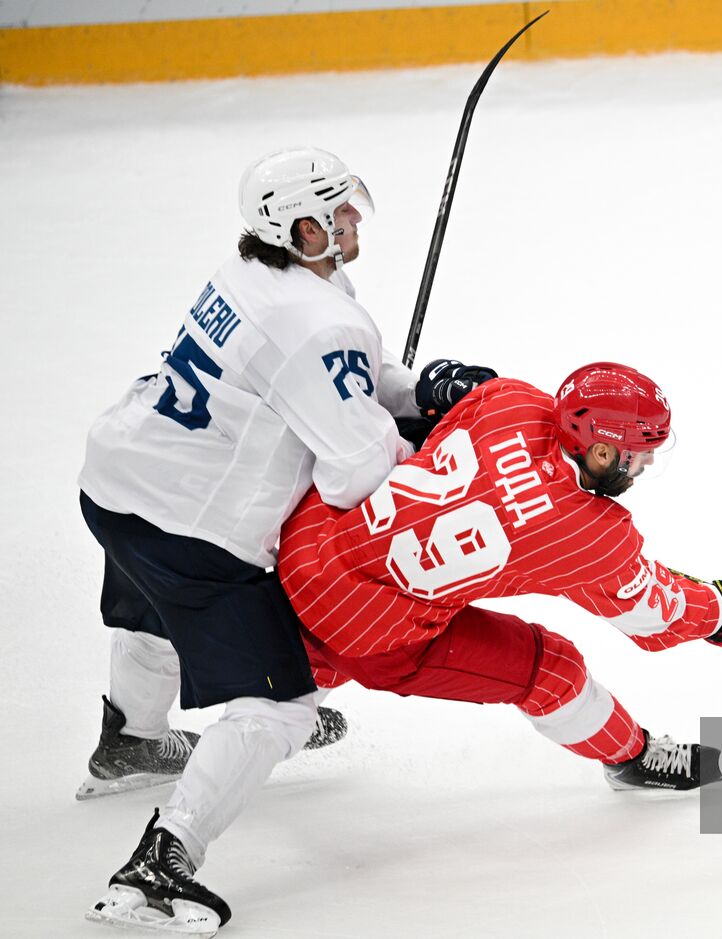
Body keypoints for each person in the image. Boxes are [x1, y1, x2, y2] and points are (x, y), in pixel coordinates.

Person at [78, 146, 494, 936]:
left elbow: (321, 370)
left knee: (153, 614)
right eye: (337, 211)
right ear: (301, 228)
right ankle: (157, 871)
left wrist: (414, 388)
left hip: (119, 478)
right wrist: (413, 437)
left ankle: (130, 740)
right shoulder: (320, 318)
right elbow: (354, 473)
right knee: (281, 704)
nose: (353, 218)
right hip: (190, 525)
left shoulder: (254, 273)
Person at [278, 361, 722, 791]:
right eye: (640, 455)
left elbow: (430, 415)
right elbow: (658, 615)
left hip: (305, 548)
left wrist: (440, 387)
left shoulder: (508, 399)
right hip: (365, 633)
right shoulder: (594, 538)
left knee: (363, 556)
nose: (646, 464)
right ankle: (632, 759)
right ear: (603, 452)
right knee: (553, 671)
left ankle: (283, 709)